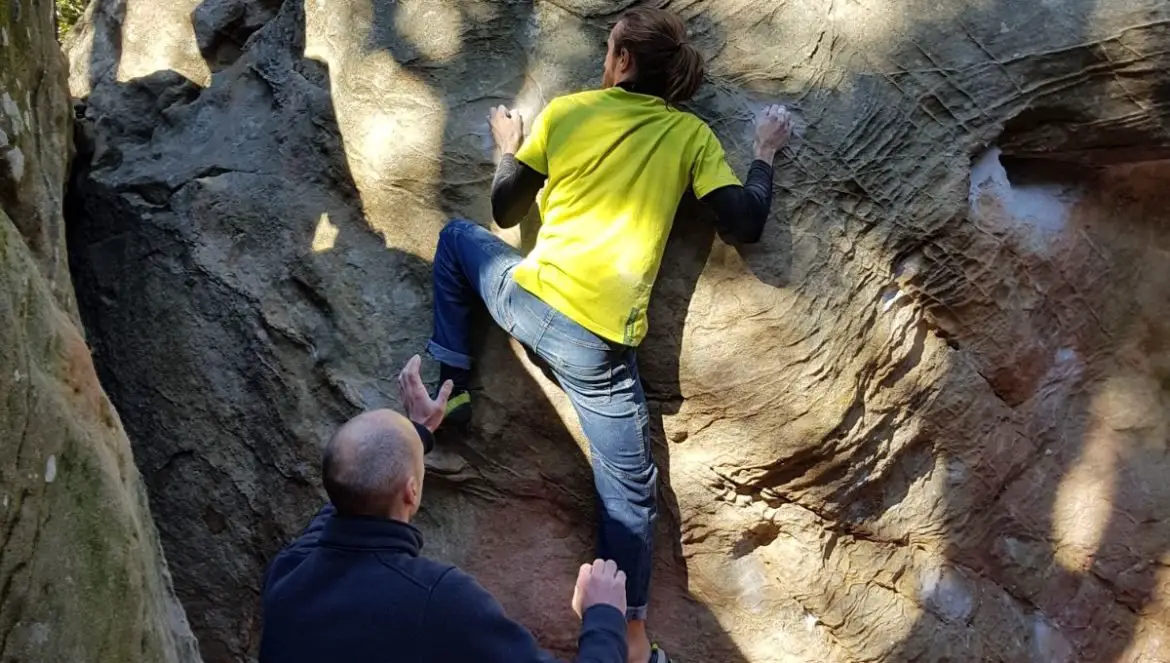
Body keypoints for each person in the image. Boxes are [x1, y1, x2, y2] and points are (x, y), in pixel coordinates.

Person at [425, 7, 793, 663]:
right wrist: (763, 152)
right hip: (595, 345)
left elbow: (506, 207)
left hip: (527, 301)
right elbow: (746, 222)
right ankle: (629, 640)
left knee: (456, 241)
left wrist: (509, 144)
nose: (604, 56)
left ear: (622, 62)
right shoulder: (689, 137)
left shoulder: (568, 113)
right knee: (629, 492)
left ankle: (449, 387)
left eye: (609, 48)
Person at [258, 355, 629, 663]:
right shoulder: (437, 599)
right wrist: (604, 618)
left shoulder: (289, 570)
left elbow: (351, 491)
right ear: (412, 491)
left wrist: (419, 433)